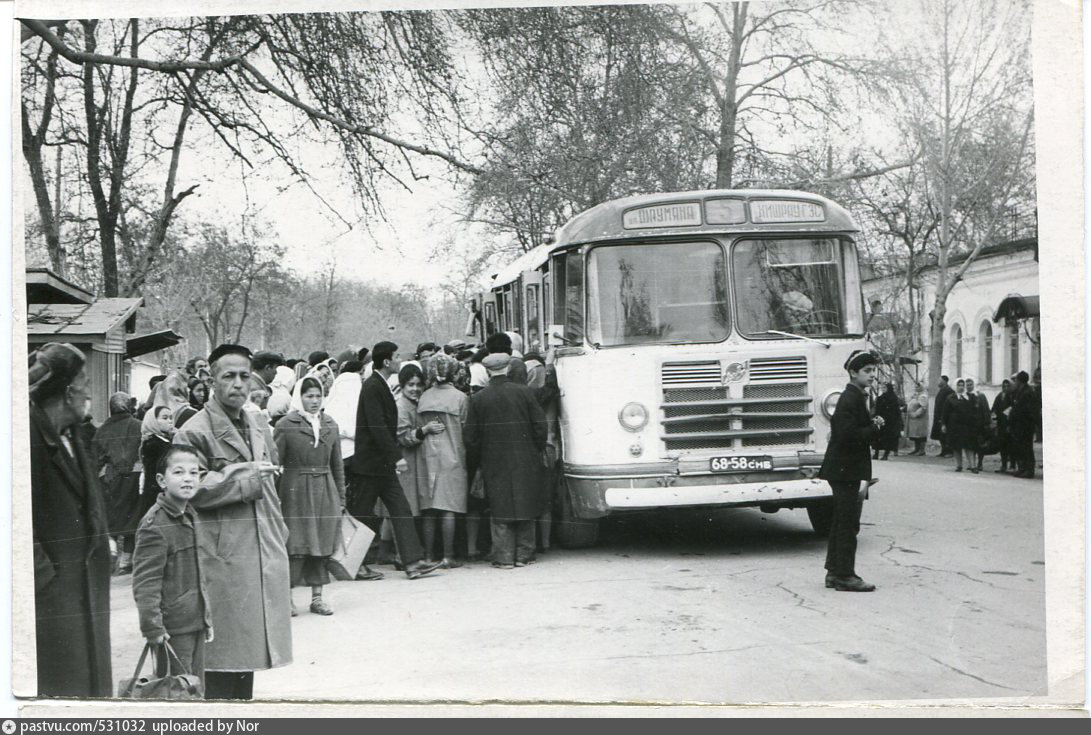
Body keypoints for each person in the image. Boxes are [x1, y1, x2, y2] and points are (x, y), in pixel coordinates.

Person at [173, 343, 292, 700]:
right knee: (221, 662)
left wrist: (279, 531)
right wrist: (245, 477)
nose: (238, 384)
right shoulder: (193, 430)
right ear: (211, 380)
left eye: (244, 375)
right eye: (229, 376)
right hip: (220, 558)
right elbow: (187, 486)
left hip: (259, 548)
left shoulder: (257, 423)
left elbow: (271, 481)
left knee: (248, 662)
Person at [29, 343, 113, 697]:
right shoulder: (25, 438)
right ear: (67, 392)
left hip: (85, 593)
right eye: (85, 385)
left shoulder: (74, 435)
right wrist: (44, 581)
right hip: (53, 603)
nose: (89, 395)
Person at [348, 341, 443, 580]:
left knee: (401, 509)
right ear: (387, 361)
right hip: (371, 465)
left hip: (380, 465)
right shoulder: (372, 386)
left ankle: (412, 562)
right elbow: (377, 426)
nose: (401, 360)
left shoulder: (380, 385)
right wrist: (396, 457)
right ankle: (355, 564)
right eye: (397, 356)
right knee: (362, 515)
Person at [132, 445, 213, 689]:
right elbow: (146, 582)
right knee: (175, 692)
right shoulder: (154, 525)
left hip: (195, 621)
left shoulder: (189, 514)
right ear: (161, 480)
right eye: (178, 472)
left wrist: (206, 618)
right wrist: (153, 627)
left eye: (194, 472)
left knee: (194, 689)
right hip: (172, 629)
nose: (188, 478)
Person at [464, 352, 549, 569]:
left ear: (487, 371)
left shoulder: (478, 399)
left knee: (499, 505)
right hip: (525, 456)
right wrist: (535, 448)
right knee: (525, 501)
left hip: (493, 459)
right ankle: (524, 554)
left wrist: (479, 457)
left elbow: (471, 437)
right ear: (508, 368)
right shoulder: (525, 392)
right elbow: (540, 426)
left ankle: (503, 557)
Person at [275, 375, 346, 616]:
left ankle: (318, 598)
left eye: (318, 396)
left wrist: (341, 498)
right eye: (309, 396)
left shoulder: (330, 424)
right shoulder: (286, 424)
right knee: (295, 545)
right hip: (295, 491)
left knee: (322, 545)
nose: (314, 401)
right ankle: (288, 598)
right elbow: (275, 464)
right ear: (299, 397)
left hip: (325, 490)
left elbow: (337, 465)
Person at [817, 349, 883, 592]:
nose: (872, 375)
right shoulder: (849, 398)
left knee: (841, 522)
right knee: (848, 524)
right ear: (853, 373)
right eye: (867, 371)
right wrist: (874, 428)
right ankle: (845, 575)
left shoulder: (855, 396)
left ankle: (834, 572)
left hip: (844, 469)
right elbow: (848, 436)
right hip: (845, 470)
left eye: (873, 371)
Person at [418, 354, 470, 567]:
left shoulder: (423, 397)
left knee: (429, 508)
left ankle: (429, 555)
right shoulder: (460, 398)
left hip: (427, 457)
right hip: (453, 456)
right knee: (449, 506)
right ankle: (448, 556)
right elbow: (466, 427)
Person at [93, 392, 145, 575]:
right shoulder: (139, 426)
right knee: (132, 520)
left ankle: (111, 552)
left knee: (111, 521)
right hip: (134, 480)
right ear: (128, 406)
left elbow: (96, 460)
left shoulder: (102, 430)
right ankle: (126, 562)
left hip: (110, 481)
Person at [395, 363, 432, 520]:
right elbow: (403, 437)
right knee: (402, 510)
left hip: (413, 463)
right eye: (410, 384)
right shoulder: (401, 406)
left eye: (418, 385)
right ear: (402, 385)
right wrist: (424, 430)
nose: (415, 389)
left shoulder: (414, 403)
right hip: (406, 462)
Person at [140, 405, 175, 518]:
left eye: (171, 418)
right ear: (153, 422)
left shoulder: (162, 441)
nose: (170, 421)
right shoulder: (154, 444)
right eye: (165, 418)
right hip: (157, 492)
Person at [942, 378, 978, 473]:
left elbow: (975, 410)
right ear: (955, 386)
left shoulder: (970, 397)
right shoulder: (950, 398)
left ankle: (972, 465)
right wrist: (944, 424)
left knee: (969, 446)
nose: (961, 387)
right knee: (956, 446)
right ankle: (959, 465)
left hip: (967, 426)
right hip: (954, 426)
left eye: (962, 385)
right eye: (959, 385)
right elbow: (945, 413)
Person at [1008, 371, 1036, 478]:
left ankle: (1029, 470)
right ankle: (1022, 468)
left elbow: (1025, 410)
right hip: (1019, 424)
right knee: (1020, 447)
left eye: (1016, 380)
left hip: (1025, 424)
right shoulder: (1020, 391)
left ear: (1019, 381)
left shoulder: (1027, 392)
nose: (1015, 383)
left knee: (1026, 447)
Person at [965, 378, 992, 472]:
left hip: (979, 425)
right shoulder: (965, 396)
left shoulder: (980, 396)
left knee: (980, 445)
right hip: (969, 425)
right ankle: (972, 463)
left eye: (970, 384)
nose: (968, 386)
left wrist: (986, 423)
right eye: (967, 385)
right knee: (970, 445)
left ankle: (980, 463)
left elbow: (985, 410)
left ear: (973, 385)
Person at [872, 382, 903, 461]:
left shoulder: (893, 398)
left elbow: (896, 411)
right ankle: (876, 453)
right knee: (877, 437)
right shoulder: (880, 398)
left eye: (885, 388)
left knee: (888, 438)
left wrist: (896, 421)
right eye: (882, 388)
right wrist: (876, 417)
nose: (883, 389)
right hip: (880, 420)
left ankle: (886, 454)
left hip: (890, 422)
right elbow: (877, 409)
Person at [991, 379, 1014, 473]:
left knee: (1011, 446)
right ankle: (1003, 465)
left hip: (1009, 425)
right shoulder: (999, 396)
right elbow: (994, 408)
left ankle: (1012, 465)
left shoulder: (1012, 396)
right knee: (1002, 446)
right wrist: (993, 416)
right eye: (1004, 386)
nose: (1005, 388)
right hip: (1001, 424)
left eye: (1007, 386)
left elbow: (1013, 408)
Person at [930, 376, 955, 457]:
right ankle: (943, 451)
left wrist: (944, 417)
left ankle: (950, 452)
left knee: (946, 435)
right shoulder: (941, 390)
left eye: (939, 380)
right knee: (941, 435)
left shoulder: (949, 391)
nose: (938, 382)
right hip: (938, 416)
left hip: (945, 416)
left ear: (944, 381)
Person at [905, 384, 929, 456]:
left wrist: (916, 414)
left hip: (920, 420)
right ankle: (916, 449)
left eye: (917, 387)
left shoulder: (923, 396)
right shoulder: (915, 395)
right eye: (915, 386)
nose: (916, 388)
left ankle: (922, 450)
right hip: (914, 421)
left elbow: (924, 407)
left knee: (920, 435)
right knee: (915, 435)